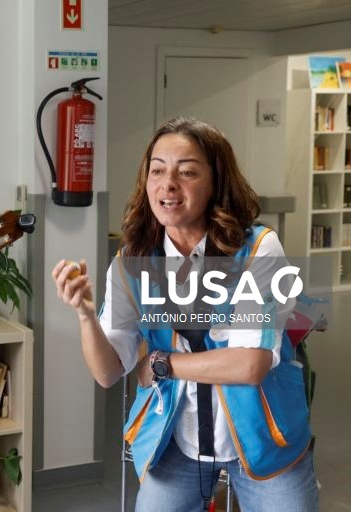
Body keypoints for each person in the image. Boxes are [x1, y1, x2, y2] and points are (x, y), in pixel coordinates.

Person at [52, 117, 318, 511]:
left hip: (265, 439)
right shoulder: (132, 261)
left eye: (187, 172)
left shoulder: (259, 250)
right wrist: (85, 316)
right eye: (157, 170)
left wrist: (161, 364)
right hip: (177, 441)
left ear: (216, 182)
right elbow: (107, 372)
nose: (168, 184)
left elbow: (250, 365)